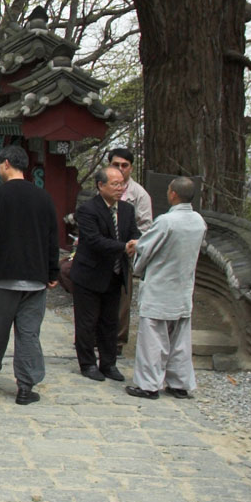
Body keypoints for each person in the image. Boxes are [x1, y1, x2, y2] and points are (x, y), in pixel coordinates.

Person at [0, 146, 59, 405]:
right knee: (29, 332)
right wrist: (52, 272)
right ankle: (26, 386)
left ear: (6, 164)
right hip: (35, 276)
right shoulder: (43, 197)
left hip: (3, 275)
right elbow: (53, 238)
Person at [125, 177, 207, 400]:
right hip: (183, 286)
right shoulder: (199, 221)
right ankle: (179, 383)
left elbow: (147, 247)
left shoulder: (167, 221)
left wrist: (135, 247)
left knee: (153, 339)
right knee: (180, 340)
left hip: (160, 286)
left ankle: (149, 385)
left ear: (173, 194)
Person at [69, 166, 141, 383]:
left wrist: (135, 243)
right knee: (87, 321)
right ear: (101, 186)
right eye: (115, 184)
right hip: (89, 274)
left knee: (111, 321)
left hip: (115, 273)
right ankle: (88, 363)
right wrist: (123, 247)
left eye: (122, 184)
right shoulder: (88, 209)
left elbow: (134, 233)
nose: (120, 188)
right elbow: (94, 240)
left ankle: (108, 363)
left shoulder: (127, 210)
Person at [108, 147, 154, 354]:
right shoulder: (103, 184)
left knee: (123, 298)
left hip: (126, 250)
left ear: (131, 168)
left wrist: (132, 244)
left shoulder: (139, 194)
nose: (120, 169)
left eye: (124, 165)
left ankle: (117, 341)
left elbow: (146, 225)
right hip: (103, 249)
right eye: (116, 164)